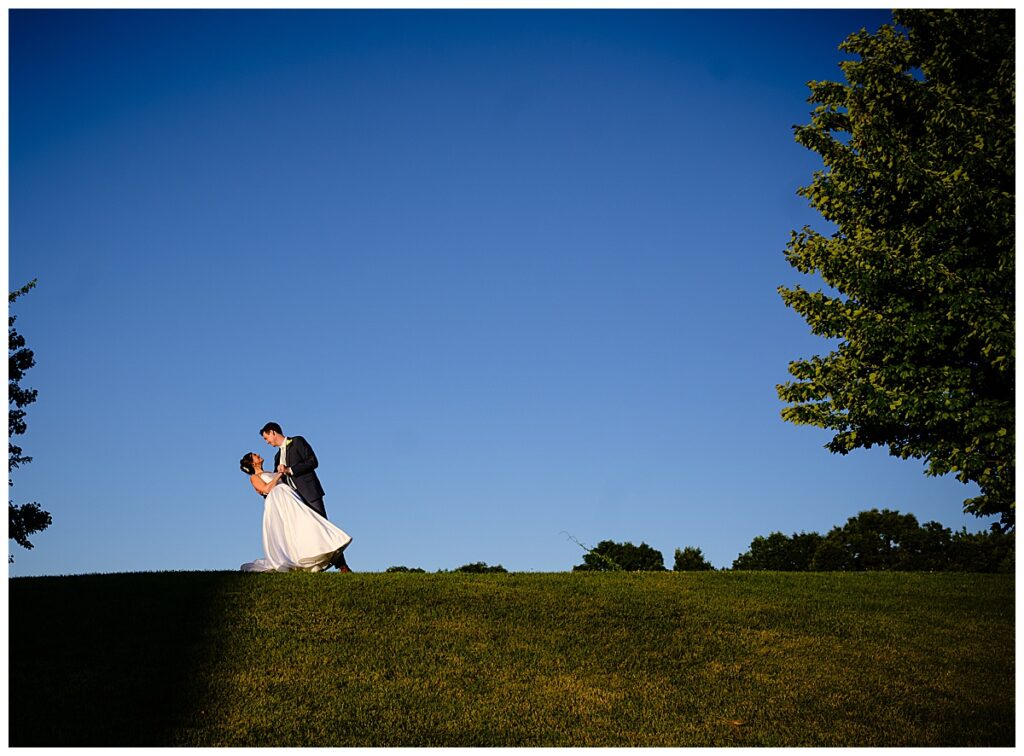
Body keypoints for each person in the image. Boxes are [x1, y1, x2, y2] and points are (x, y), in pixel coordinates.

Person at [238, 452, 352, 573]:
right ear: (252, 462)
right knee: (286, 529)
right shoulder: (254, 477)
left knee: (303, 523)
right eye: (255, 455)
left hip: (290, 497)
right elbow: (266, 489)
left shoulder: (269, 471)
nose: (258, 455)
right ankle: (289, 558)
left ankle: (315, 551)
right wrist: (279, 475)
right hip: (278, 501)